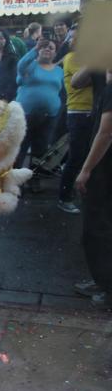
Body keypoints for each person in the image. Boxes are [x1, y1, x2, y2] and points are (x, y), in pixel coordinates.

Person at [75, 71, 112, 308]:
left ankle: (105, 285)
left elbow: (107, 132)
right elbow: (76, 81)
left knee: (97, 229)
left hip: (105, 169)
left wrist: (86, 169)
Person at [14, 38, 64, 192]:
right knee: (20, 149)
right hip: (26, 115)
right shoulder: (30, 65)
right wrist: (35, 48)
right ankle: (15, 182)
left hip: (49, 117)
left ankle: (33, 180)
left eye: (51, 47)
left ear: (55, 52)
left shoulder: (59, 70)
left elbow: (60, 91)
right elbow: (21, 65)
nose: (47, 49)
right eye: (44, 47)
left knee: (40, 150)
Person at [57, 32, 94, 214]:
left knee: (91, 156)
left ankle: (88, 194)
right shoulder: (72, 58)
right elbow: (79, 82)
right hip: (78, 112)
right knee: (76, 157)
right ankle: (64, 197)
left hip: (95, 111)